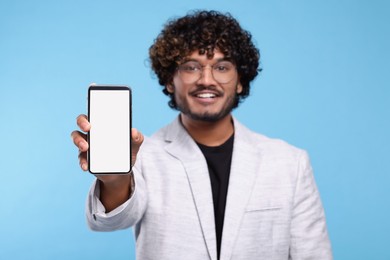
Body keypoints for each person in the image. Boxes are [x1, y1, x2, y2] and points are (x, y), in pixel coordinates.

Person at [71, 10, 332, 260]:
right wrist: (115, 178)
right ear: (169, 80)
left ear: (240, 80)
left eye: (222, 67)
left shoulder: (289, 163)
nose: (206, 79)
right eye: (191, 67)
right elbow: (111, 220)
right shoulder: (142, 155)